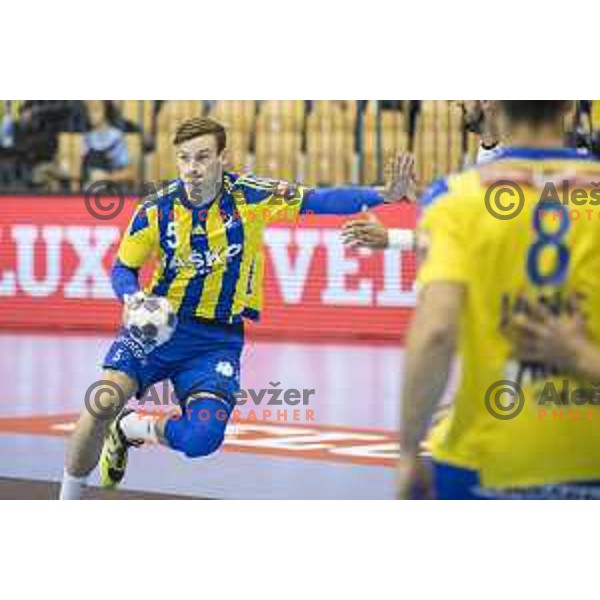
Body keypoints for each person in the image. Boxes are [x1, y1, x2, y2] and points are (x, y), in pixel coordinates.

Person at [59, 116, 408, 500]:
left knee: (201, 438)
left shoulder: (252, 196)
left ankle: (130, 429)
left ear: (223, 157)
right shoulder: (156, 209)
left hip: (215, 341)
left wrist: (382, 194)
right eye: (185, 158)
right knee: (101, 402)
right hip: (158, 328)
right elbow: (124, 267)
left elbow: (317, 200)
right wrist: (132, 297)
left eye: (203, 157)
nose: (193, 168)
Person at [397, 100, 600, 500]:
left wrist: (408, 451)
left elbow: (435, 332)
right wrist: (579, 356)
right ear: (567, 104)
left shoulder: (454, 198)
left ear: (497, 108)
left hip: (480, 460)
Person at [341, 101, 502, 252]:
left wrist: (392, 238)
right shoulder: (490, 153)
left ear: (486, 101)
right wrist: (419, 195)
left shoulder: (509, 164)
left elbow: (480, 238)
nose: (459, 103)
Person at [82, 100, 132, 186]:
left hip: (109, 192)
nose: (91, 115)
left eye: (96, 110)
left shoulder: (116, 138)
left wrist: (107, 177)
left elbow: (129, 174)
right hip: (87, 192)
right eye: (89, 111)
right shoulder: (87, 137)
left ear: (106, 111)